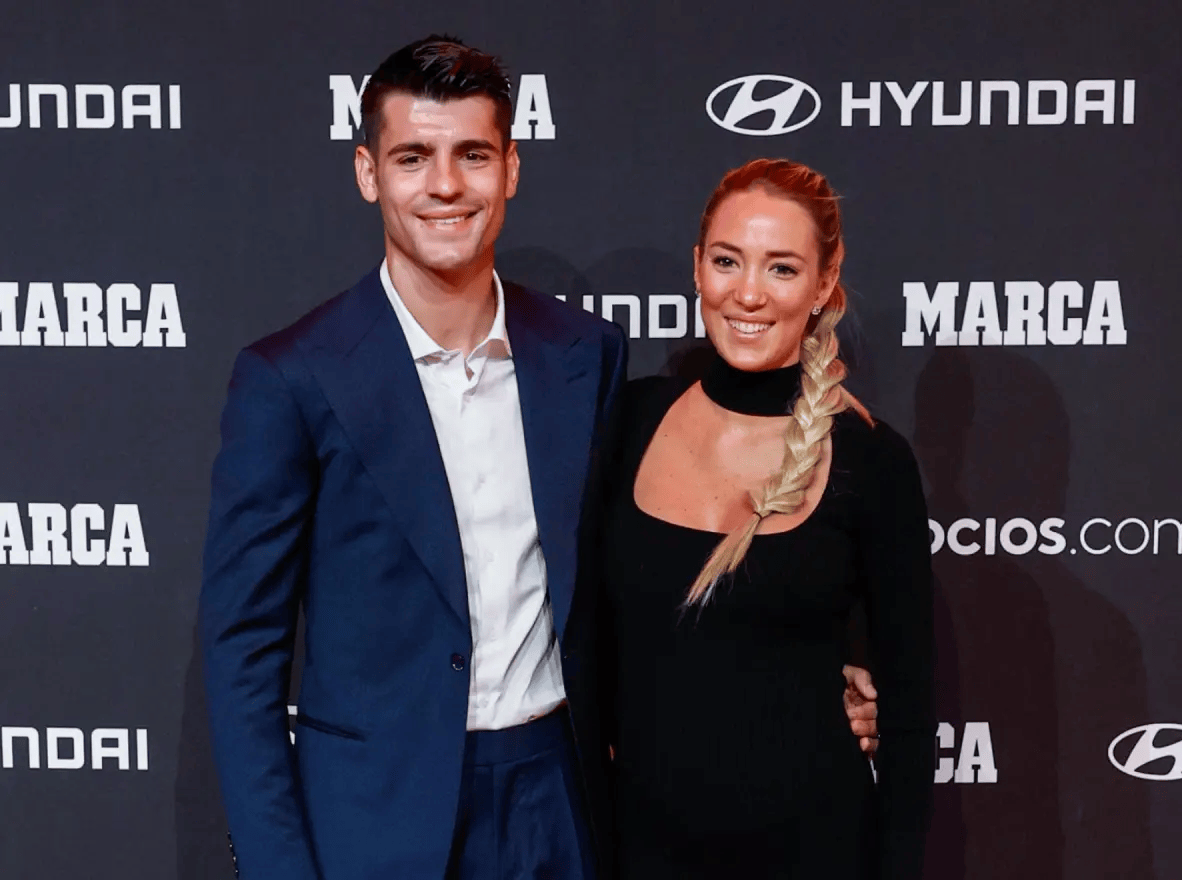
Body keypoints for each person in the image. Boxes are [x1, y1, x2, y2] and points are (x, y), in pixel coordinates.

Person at [199, 36, 880, 880]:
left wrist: (833, 663)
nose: (445, 185)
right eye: (412, 157)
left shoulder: (583, 354)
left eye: (472, 155)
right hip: (375, 818)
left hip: (560, 800)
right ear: (368, 173)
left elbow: (664, 556)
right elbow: (242, 650)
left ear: (511, 168)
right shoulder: (291, 376)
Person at [601, 158, 936, 879]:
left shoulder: (872, 461)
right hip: (637, 855)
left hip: (817, 852)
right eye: (727, 261)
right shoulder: (622, 422)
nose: (748, 294)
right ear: (697, 266)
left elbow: (910, 714)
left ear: (825, 281)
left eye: (782, 268)